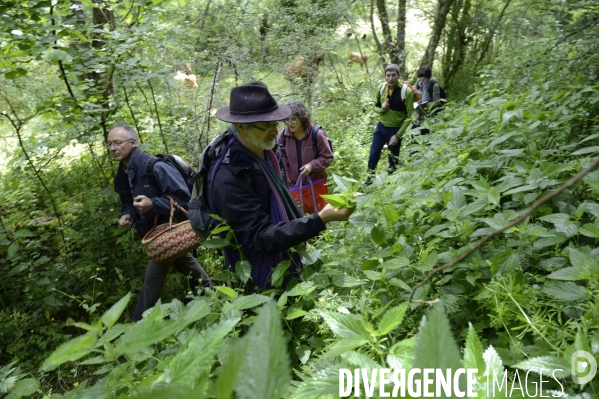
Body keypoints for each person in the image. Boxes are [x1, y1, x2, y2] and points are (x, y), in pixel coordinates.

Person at [207, 82, 354, 290]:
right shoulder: (229, 177)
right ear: (241, 127)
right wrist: (321, 218)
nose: (276, 131)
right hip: (258, 268)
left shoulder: (267, 151)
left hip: (285, 249)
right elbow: (259, 236)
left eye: (275, 123)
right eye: (266, 126)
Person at [109, 124, 212, 322]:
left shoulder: (155, 167)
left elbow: (185, 200)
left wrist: (153, 204)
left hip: (169, 234)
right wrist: (127, 214)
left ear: (133, 143)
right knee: (189, 267)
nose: (113, 148)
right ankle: (214, 298)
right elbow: (127, 202)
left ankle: (137, 328)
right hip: (159, 235)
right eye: (110, 144)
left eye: (118, 143)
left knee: (152, 281)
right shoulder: (123, 171)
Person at [364, 64, 414, 186]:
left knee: (393, 158)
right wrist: (381, 109)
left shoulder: (406, 92)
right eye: (388, 75)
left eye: (393, 75)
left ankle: (391, 183)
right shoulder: (381, 87)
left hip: (395, 129)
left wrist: (397, 135)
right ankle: (368, 181)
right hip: (381, 127)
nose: (391, 78)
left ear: (399, 75)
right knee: (373, 154)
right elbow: (374, 107)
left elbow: (410, 117)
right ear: (385, 76)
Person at [278, 101, 333, 186]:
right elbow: (281, 155)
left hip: (315, 183)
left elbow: (327, 157)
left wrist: (311, 165)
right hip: (293, 185)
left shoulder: (317, 134)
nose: (290, 123)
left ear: (302, 118)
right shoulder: (284, 135)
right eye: (287, 119)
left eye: (293, 119)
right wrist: (284, 170)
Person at [413, 65, 441, 135]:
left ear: (428, 77)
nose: (422, 81)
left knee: (425, 140)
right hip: (417, 118)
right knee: (414, 140)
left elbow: (437, 102)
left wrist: (426, 105)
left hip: (427, 118)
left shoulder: (434, 85)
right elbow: (413, 96)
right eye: (420, 79)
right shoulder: (418, 83)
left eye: (424, 79)